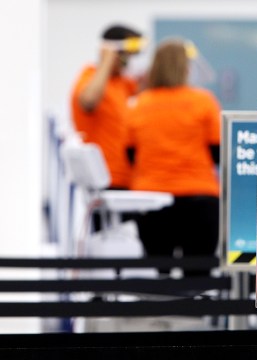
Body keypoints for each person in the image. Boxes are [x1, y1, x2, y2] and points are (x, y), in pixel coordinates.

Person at [126, 38, 223, 277]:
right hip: (200, 199)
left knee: (161, 276)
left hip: (151, 201)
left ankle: (161, 315)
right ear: (185, 68)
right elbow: (218, 152)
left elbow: (130, 154)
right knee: (199, 276)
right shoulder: (203, 101)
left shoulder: (138, 104)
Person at [70, 24, 146, 231]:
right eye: (124, 56)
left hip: (128, 179)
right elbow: (88, 100)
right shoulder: (90, 76)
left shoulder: (123, 83)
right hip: (103, 180)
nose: (128, 62)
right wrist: (106, 60)